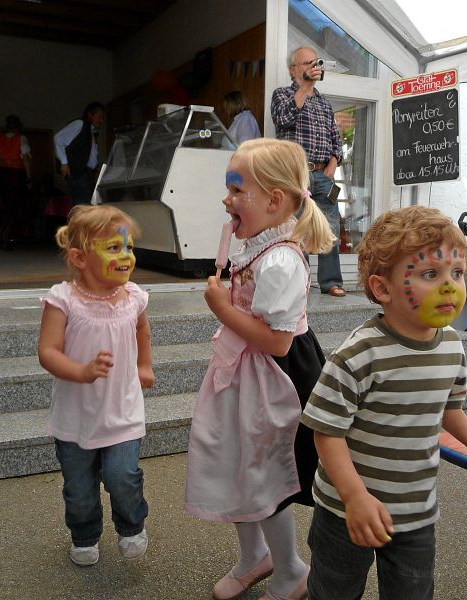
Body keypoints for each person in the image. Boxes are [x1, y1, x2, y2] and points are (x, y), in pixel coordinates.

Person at [301, 205, 467, 600]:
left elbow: (449, 408)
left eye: (456, 273)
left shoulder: (452, 346)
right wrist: (355, 497)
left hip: (416, 507)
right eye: (429, 274)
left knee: (413, 591)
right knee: (334, 589)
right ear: (383, 288)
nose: (451, 286)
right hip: (345, 507)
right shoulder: (359, 354)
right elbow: (326, 433)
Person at [184, 138, 335, 600]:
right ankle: (256, 558)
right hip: (243, 370)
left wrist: (220, 308)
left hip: (274, 378)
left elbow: (277, 340)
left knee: (264, 477)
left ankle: (290, 569)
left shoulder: (282, 260)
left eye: (235, 189)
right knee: (237, 466)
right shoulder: (254, 244)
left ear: (273, 200)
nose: (226, 199)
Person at [37, 204, 155, 567]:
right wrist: (81, 371)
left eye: (129, 247)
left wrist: (144, 364)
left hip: (122, 410)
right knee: (79, 489)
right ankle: (85, 534)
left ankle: (131, 525)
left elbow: (141, 330)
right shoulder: (63, 300)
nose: (125, 256)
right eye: (114, 248)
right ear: (79, 258)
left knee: (123, 477)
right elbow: (47, 351)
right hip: (76, 418)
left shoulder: (133, 297)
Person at [271, 46, 346, 298]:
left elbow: (337, 140)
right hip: (295, 174)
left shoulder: (324, 103)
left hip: (323, 175)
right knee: (296, 229)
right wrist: (303, 87)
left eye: (315, 63)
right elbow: (282, 120)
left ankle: (331, 282)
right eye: (306, 63)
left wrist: (333, 165)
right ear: (293, 69)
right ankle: (298, 283)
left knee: (330, 227)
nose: (313, 67)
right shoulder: (282, 94)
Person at [0, 114, 31, 250]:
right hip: (17, 174)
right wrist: (29, 177)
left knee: (2, 203)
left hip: (3, 173)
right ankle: (10, 237)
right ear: (18, 126)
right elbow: (25, 158)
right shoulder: (22, 138)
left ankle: (3, 235)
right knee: (16, 205)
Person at [54, 102, 106, 206]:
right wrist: (64, 163)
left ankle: (82, 221)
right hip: (79, 172)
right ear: (90, 114)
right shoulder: (80, 124)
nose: (101, 120)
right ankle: (81, 222)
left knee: (86, 203)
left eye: (102, 117)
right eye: (99, 116)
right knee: (83, 203)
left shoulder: (90, 131)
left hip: (86, 173)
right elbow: (58, 139)